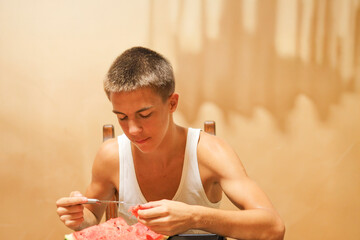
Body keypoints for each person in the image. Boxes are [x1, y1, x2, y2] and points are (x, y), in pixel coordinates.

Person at [56, 46, 285, 240]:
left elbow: (273, 227)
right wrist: (79, 219)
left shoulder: (210, 152)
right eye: (122, 117)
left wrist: (193, 217)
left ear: (172, 103)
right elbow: (91, 220)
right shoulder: (111, 155)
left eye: (145, 115)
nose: (133, 130)